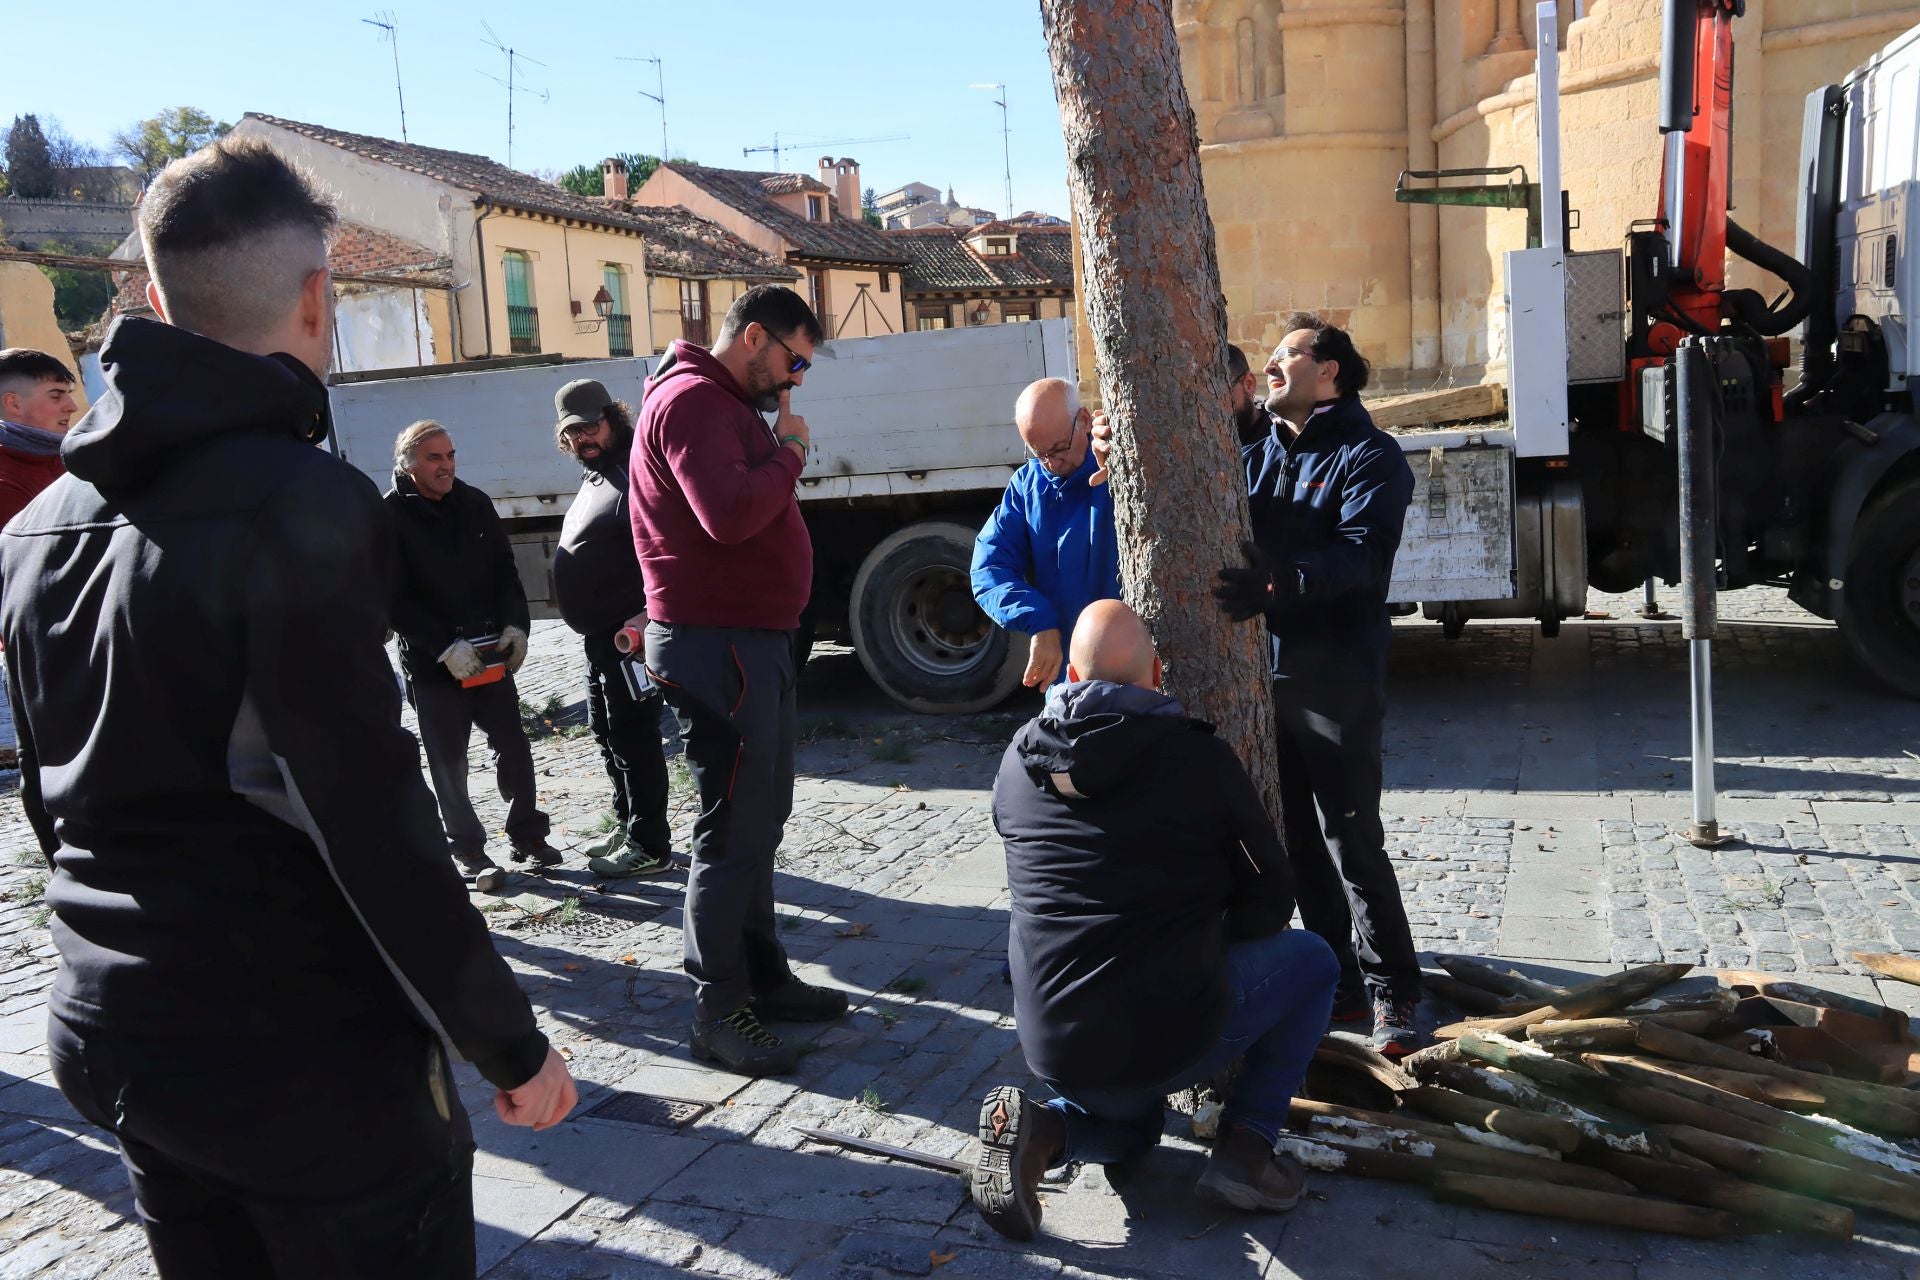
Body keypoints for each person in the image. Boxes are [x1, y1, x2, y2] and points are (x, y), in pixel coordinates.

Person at [0, 138, 576, 1278]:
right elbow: (365, 810)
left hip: (112, 1029)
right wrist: (507, 1041)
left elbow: (49, 803)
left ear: (157, 299)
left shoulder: (33, 528)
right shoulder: (300, 501)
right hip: (298, 1058)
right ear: (319, 296)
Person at [969, 600, 1338, 1241]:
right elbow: (1274, 896)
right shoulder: (1199, 760)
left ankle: (1042, 1129)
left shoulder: (1017, 762)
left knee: (1131, 1132)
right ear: (1158, 674)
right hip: (1167, 1031)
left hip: (1054, 1040)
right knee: (1314, 962)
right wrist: (1212, 933)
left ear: (1072, 680)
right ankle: (1247, 1148)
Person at [631, 283, 848, 1076]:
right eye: (794, 362)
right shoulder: (693, 401)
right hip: (718, 649)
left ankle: (761, 977)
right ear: (753, 337)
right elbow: (727, 514)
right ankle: (715, 1008)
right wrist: (789, 451)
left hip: (747, 645)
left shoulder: (719, 404)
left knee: (762, 815)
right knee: (731, 830)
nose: (796, 382)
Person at [1212, 314, 1423, 1056]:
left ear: (1329, 369)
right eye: (1267, 356)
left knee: (1352, 838)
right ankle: (1337, 981)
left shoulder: (1371, 456)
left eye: (1286, 353)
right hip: (1267, 678)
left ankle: (1395, 988)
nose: (1271, 364)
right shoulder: (1255, 454)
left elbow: (1362, 560)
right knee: (1297, 840)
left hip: (1339, 680)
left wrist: (1280, 583)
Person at [386, 419, 561, 890]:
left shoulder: (475, 503)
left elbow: (506, 572)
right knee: (449, 762)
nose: (446, 466)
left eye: (450, 455)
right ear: (408, 464)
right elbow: (391, 596)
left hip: (489, 654)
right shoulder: (389, 516)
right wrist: (442, 644)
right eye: (433, 458)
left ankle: (527, 834)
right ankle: (467, 850)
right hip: (434, 662)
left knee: (514, 746)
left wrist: (515, 627)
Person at [549, 377, 675, 879]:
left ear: (613, 418)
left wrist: (647, 613)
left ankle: (650, 844)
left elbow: (667, 548)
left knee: (635, 735)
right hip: (597, 636)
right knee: (606, 731)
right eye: (572, 432)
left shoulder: (636, 470)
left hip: (630, 636)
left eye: (590, 426)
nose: (583, 438)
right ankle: (628, 822)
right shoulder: (597, 473)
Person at [970, 377, 1121, 689]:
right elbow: (988, 567)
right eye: (1039, 454)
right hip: (1066, 684)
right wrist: (1039, 621)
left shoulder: (1118, 462)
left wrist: (1120, 470)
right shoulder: (1027, 484)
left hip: (1129, 672)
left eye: (1058, 449)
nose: (1051, 463)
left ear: (1083, 421)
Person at [0, 347, 80, 527]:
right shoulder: (5, 485)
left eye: (68, 395)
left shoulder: (73, 459)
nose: (72, 407)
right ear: (14, 404)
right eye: (56, 396)